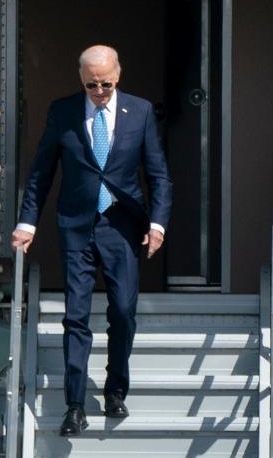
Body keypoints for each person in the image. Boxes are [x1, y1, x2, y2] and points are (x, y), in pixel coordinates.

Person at [11, 45, 172, 435]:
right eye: (91, 85)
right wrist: (27, 223)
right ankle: (75, 405)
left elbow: (158, 174)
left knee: (122, 311)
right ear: (81, 79)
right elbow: (41, 172)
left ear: (118, 75)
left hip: (121, 227)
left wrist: (157, 224)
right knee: (76, 317)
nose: (99, 91)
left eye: (106, 83)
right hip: (77, 224)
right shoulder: (63, 111)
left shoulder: (141, 111)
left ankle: (116, 389)